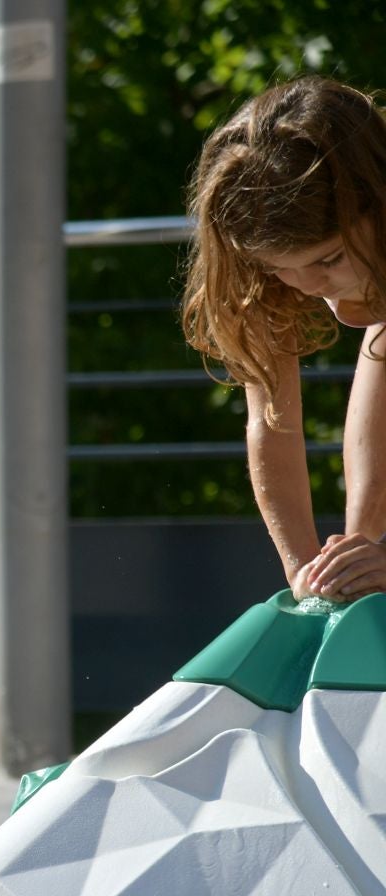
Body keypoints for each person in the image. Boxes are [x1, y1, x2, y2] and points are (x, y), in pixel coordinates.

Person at [182, 74, 386, 603]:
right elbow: (272, 424)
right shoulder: (254, 260)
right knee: (357, 565)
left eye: (329, 259)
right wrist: (309, 577)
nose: (309, 285)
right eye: (280, 269)